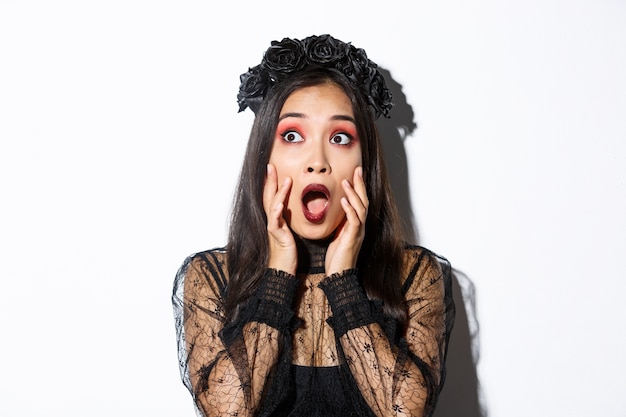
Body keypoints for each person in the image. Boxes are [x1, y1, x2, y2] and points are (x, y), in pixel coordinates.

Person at [172, 34, 455, 417]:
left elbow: (406, 413)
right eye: (292, 136)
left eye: (339, 138)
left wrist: (343, 282)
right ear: (264, 158)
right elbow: (227, 411)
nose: (317, 161)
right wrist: (278, 274)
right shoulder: (212, 277)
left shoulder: (414, 275)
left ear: (363, 164)